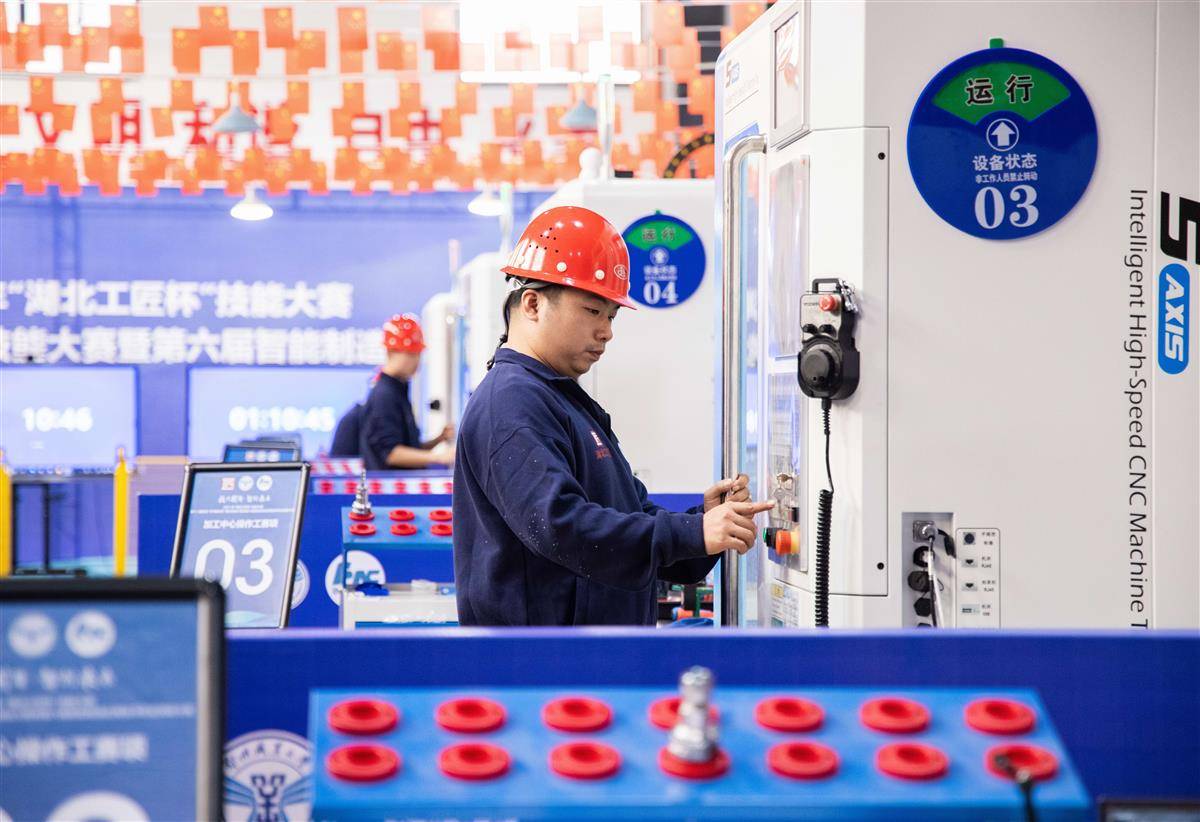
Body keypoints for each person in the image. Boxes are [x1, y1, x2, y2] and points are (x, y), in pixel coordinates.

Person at [452, 206, 773, 626]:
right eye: (592, 311)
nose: (606, 331)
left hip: (594, 653)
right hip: (545, 661)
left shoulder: (563, 400)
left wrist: (703, 522)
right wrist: (690, 534)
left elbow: (630, 516)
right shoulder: (511, 402)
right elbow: (560, 527)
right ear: (532, 303)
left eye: (611, 315)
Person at [358, 313, 454, 469]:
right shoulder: (384, 396)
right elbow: (391, 454)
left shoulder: (397, 390)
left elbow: (409, 448)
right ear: (392, 352)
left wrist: (438, 439)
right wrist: (439, 457)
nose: (417, 361)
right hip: (389, 484)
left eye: (418, 354)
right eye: (412, 354)